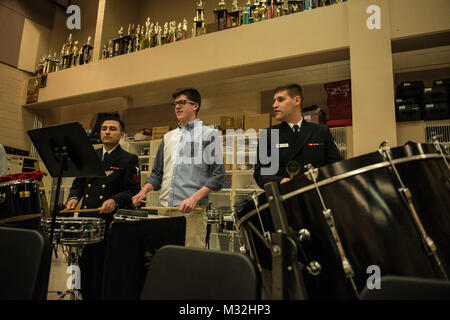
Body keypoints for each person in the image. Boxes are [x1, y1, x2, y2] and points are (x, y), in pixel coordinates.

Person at [132, 88, 225, 248]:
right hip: (164, 210)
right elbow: (157, 173)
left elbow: (217, 175)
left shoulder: (209, 134)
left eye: (182, 103)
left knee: (190, 263)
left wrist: (194, 198)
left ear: (195, 105)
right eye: (175, 104)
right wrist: (144, 190)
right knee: (165, 259)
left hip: (191, 212)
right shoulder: (168, 137)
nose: (177, 107)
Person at [65, 116, 140, 300]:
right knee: (84, 264)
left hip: (109, 222)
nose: (107, 131)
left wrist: (115, 200)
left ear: (122, 134)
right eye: (104, 128)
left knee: (102, 266)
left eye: (112, 129)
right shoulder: (90, 156)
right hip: (86, 220)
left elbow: (133, 190)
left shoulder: (129, 159)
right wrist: (74, 197)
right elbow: (78, 184)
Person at [254, 84, 343, 188]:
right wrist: (281, 181)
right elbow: (261, 174)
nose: (274, 105)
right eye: (274, 101)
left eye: (280, 99)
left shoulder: (321, 132)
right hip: (285, 198)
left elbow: (337, 166)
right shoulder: (268, 135)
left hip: (317, 196)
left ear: (297, 101)